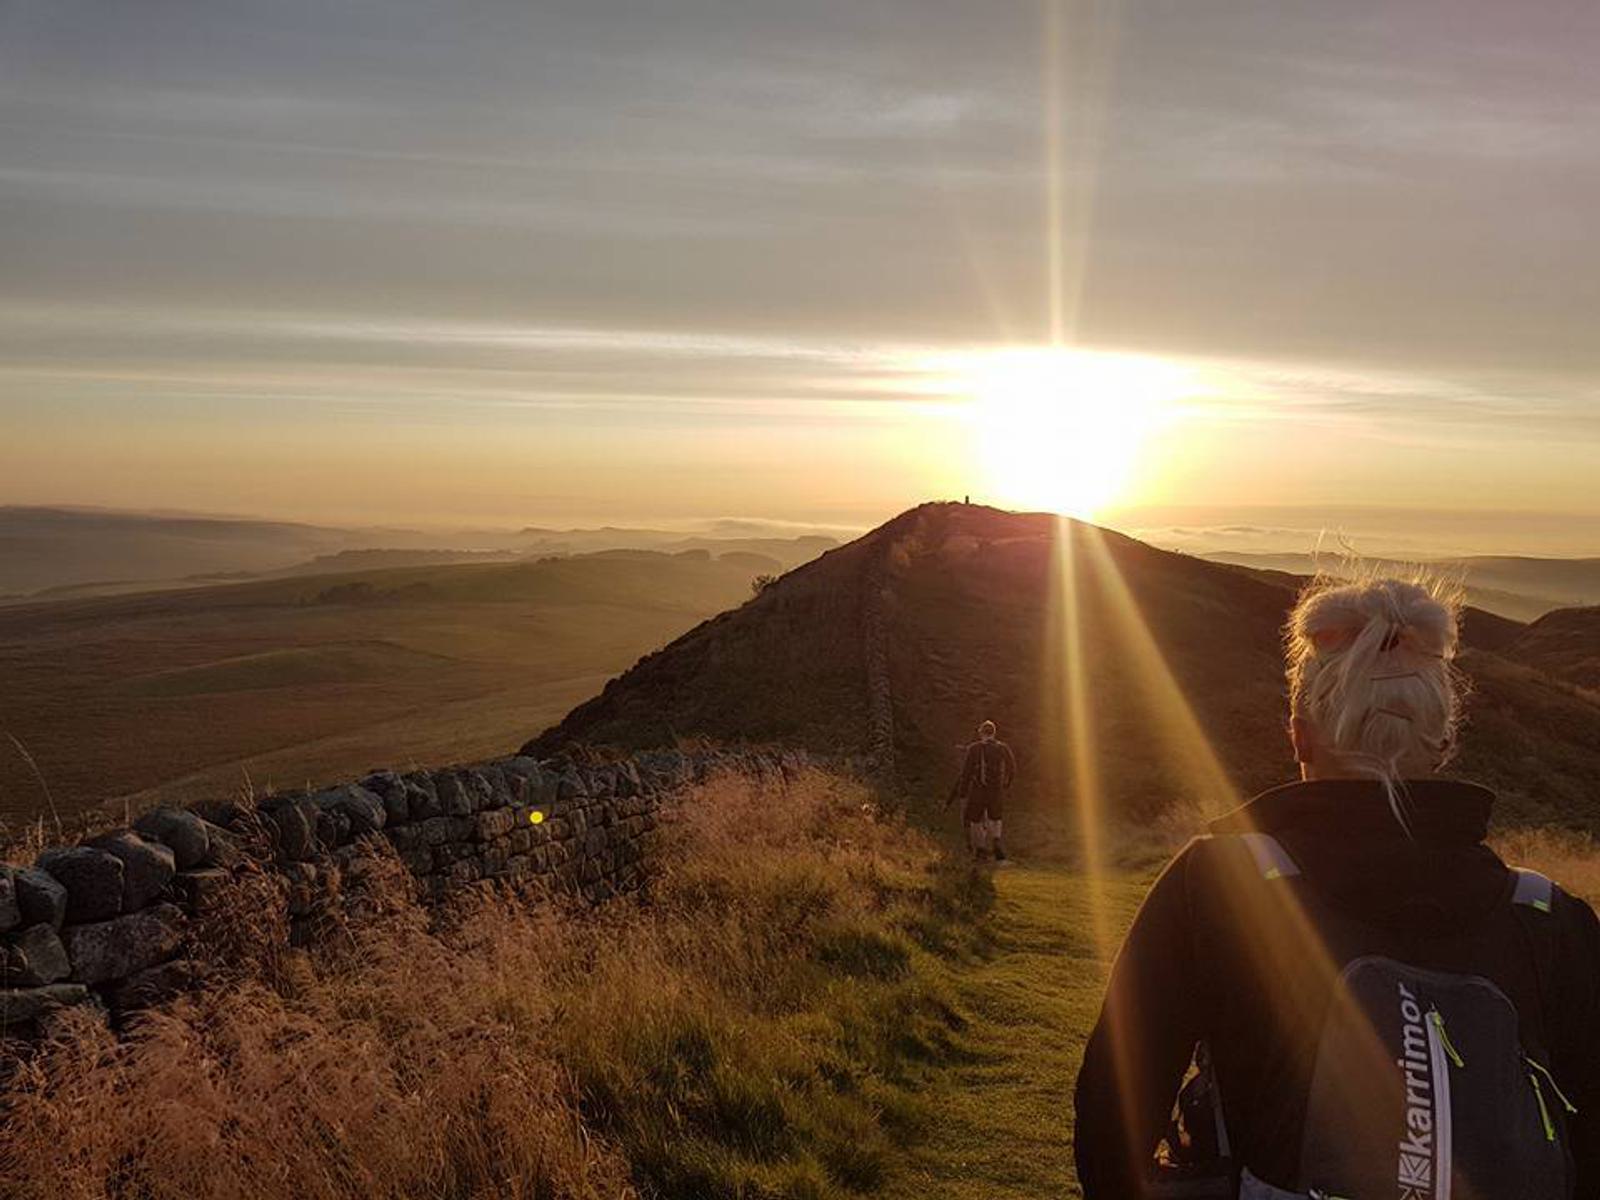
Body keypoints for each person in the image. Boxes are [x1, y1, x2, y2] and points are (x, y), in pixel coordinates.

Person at [1073, 576, 1600, 1199]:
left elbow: (1114, 1117)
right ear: (1444, 743)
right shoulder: (1548, 917)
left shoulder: (1218, 884)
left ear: (1299, 734)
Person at [947, 719, 1016, 863]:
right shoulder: (1003, 748)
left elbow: (966, 772)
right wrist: (1006, 784)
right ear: (994, 733)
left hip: (978, 791)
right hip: (996, 790)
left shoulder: (974, 748)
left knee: (975, 820)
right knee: (995, 818)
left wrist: (963, 792)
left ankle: (980, 850)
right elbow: (1012, 767)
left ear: (981, 733)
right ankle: (996, 841)